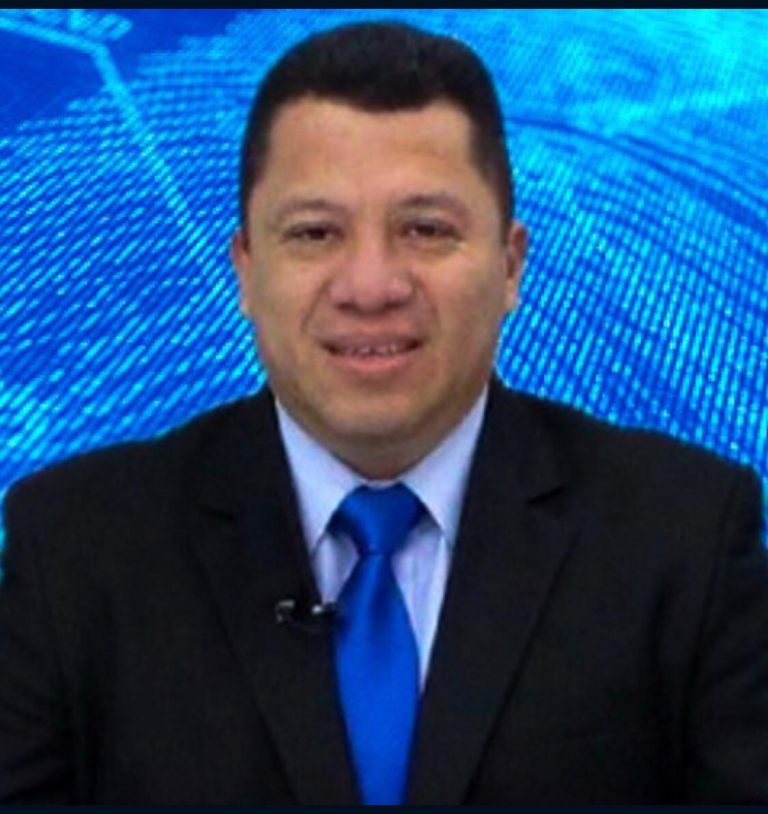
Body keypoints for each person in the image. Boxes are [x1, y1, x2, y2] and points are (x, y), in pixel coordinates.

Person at [1, 20, 767, 805]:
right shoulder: (74, 549)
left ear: (510, 265)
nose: (370, 287)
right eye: (315, 233)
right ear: (246, 270)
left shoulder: (686, 536)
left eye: (426, 230)